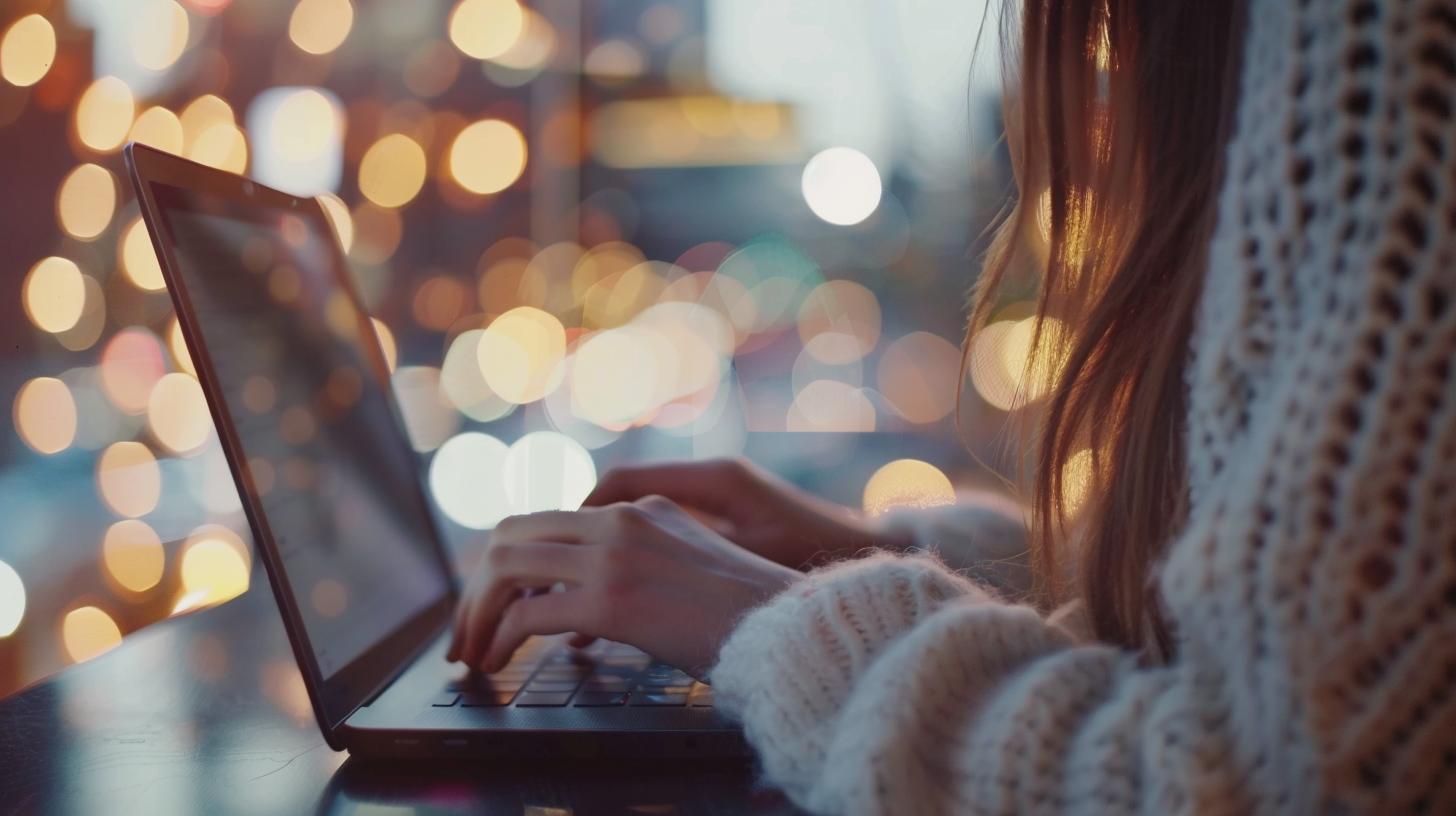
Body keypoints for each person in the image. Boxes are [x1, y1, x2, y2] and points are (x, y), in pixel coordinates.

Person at [449, 0, 1456, 811]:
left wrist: (779, 622)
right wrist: (861, 551)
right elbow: (1235, 631)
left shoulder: (1369, 52)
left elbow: (1258, 780)